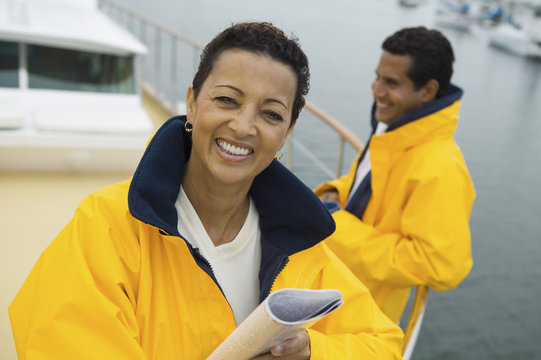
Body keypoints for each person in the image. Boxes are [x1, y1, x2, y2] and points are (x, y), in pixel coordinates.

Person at [9, 22, 403, 359]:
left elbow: (384, 344)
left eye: (270, 114)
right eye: (227, 100)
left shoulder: (302, 247)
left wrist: (311, 349)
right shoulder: (106, 228)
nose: (244, 127)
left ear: (287, 132)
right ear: (192, 104)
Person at [315, 26, 476, 324]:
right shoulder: (394, 133)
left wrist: (335, 223)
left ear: (427, 91)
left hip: (357, 322)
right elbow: (370, 188)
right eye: (377, 77)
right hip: (333, 293)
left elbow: (440, 265)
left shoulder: (440, 166)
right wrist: (335, 192)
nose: (376, 90)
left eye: (391, 83)